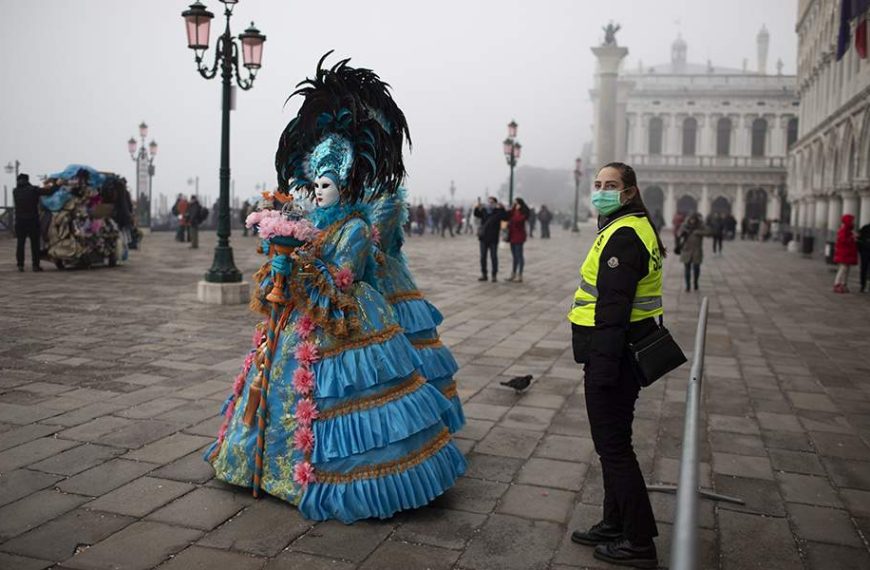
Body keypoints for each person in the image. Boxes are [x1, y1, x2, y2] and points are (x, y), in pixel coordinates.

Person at [205, 55, 465, 524]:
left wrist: (302, 265)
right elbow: (304, 265)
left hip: (344, 315)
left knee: (345, 396)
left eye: (328, 184)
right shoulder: (312, 222)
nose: (319, 191)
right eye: (315, 183)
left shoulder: (356, 226)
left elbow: (344, 276)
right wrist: (283, 258)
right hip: (301, 318)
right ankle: (264, 465)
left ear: (343, 186)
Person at [568, 162, 664, 568]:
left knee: (615, 450)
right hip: (622, 350)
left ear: (629, 192)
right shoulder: (630, 226)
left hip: (614, 355)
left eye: (611, 185)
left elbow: (613, 309)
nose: (601, 190)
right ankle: (615, 522)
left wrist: (603, 369)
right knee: (613, 446)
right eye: (597, 184)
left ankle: (639, 541)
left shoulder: (624, 235)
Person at [13, 173, 44, 272]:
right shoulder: (33, 190)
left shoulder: (15, 191)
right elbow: (47, 191)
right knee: (35, 244)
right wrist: (57, 185)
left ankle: (20, 265)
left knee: (20, 243)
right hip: (32, 221)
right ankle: (35, 265)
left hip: (20, 221)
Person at [473, 197, 506, 282]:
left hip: (493, 238)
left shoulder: (497, 212)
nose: (490, 204)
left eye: (492, 202)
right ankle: (484, 274)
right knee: (483, 257)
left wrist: (502, 208)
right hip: (483, 238)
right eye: (489, 202)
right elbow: (477, 214)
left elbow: (505, 217)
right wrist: (477, 207)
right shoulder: (484, 210)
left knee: (494, 257)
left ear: (495, 203)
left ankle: (494, 275)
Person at [678, 213, 708, 292]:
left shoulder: (700, 226)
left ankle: (695, 283)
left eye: (694, 220)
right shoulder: (684, 226)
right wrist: (682, 233)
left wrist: (698, 232)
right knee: (687, 269)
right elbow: (678, 234)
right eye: (691, 219)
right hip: (686, 250)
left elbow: (708, 232)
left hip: (697, 250)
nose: (692, 221)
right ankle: (687, 286)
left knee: (696, 268)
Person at [833, 214, 858, 293]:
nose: (853, 223)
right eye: (852, 221)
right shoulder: (844, 230)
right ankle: (837, 283)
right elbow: (843, 241)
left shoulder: (848, 230)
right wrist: (852, 238)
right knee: (843, 268)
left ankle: (844, 284)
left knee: (846, 269)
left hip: (847, 253)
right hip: (844, 253)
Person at [507, 197, 530, 282]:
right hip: (512, 236)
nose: (515, 205)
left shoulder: (522, 213)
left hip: (519, 237)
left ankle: (520, 275)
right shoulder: (513, 212)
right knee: (514, 257)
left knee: (519, 256)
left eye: (516, 203)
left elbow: (518, 221)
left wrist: (515, 212)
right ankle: (513, 273)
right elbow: (507, 216)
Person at [858, 221, 870, 293]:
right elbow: (859, 240)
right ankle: (863, 285)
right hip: (864, 251)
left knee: (864, 269)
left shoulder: (864, 228)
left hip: (864, 252)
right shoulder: (865, 228)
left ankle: (863, 285)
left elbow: (859, 240)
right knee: (864, 269)